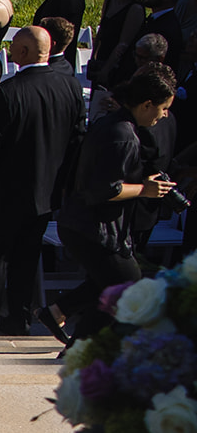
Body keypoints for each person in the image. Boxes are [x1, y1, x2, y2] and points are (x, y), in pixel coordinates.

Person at [0, 27, 82, 336]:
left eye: (14, 48)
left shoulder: (8, 92)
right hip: (44, 194)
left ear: (22, 53)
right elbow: (76, 141)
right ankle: (18, 319)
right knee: (26, 259)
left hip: (2, 194)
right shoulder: (70, 88)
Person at [47, 67, 177, 342]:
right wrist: (145, 189)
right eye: (163, 108)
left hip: (84, 223)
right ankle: (79, 343)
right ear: (147, 104)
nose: (164, 115)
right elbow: (104, 190)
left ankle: (58, 313)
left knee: (110, 282)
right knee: (128, 286)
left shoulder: (114, 124)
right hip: (94, 228)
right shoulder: (123, 134)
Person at [88, 0, 146, 95]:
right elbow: (101, 32)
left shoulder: (135, 9)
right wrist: (93, 58)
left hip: (119, 65)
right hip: (102, 60)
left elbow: (123, 43)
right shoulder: (109, 2)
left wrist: (106, 70)